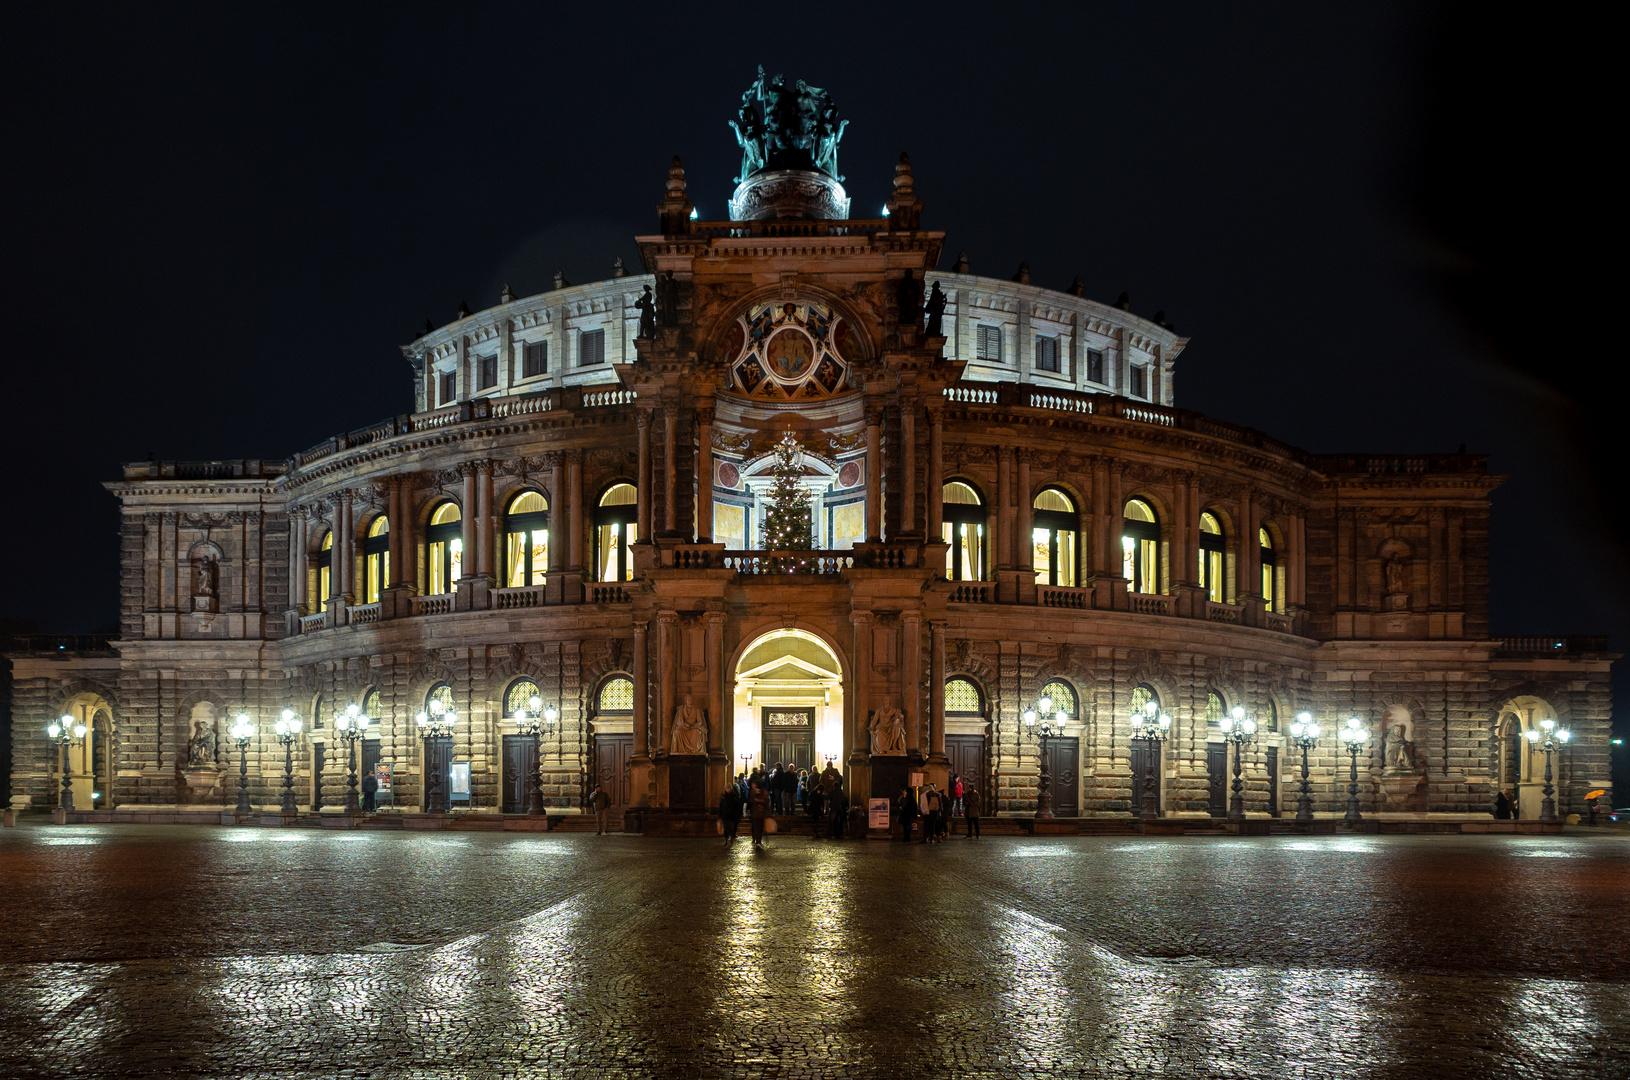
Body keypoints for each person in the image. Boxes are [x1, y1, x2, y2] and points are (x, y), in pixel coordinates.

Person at [718, 782, 743, 847]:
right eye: (727, 788)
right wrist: (719, 814)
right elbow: (720, 806)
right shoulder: (723, 796)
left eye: (729, 788)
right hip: (725, 815)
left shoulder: (734, 796)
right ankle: (726, 839)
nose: (728, 790)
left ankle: (731, 838)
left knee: (731, 828)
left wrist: (738, 814)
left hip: (732, 815)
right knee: (726, 828)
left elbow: (738, 806)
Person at [749, 780, 771, 848]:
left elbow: (766, 803)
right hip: (757, 813)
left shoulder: (762, 793)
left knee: (758, 828)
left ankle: (758, 840)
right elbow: (751, 801)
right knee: (757, 828)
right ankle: (757, 840)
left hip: (759, 813)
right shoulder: (757, 792)